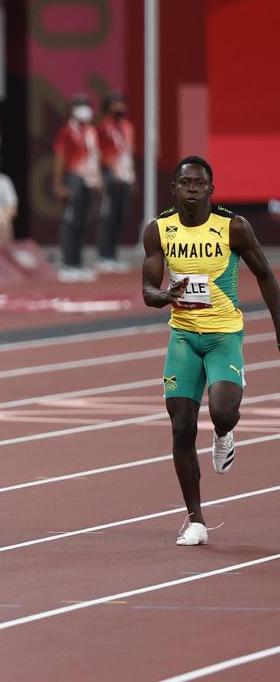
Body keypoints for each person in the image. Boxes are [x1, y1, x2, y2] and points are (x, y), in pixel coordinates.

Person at [141, 156, 280, 546]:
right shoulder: (159, 230)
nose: (192, 189)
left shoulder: (233, 227)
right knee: (181, 428)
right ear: (174, 188)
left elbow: (266, 276)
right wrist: (164, 295)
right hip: (184, 338)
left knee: (222, 411)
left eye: (200, 183)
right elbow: (148, 289)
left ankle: (224, 433)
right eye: (185, 182)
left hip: (223, 336)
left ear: (210, 190)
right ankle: (196, 519)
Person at [54, 95, 103, 281]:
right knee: (71, 222)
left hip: (89, 180)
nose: (85, 109)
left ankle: (78, 264)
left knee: (82, 223)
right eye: (81, 105)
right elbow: (59, 157)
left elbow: (95, 157)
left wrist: (98, 181)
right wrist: (58, 184)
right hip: (73, 178)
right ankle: (67, 264)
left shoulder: (91, 131)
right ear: (73, 109)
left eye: (88, 105)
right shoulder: (67, 131)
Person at [97, 92, 136, 271]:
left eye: (122, 103)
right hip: (109, 174)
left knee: (120, 216)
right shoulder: (104, 127)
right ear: (108, 106)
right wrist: (100, 177)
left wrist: (131, 174)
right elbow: (97, 154)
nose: (120, 107)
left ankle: (113, 254)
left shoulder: (127, 127)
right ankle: (103, 256)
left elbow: (128, 152)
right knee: (108, 217)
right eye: (115, 103)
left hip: (124, 176)